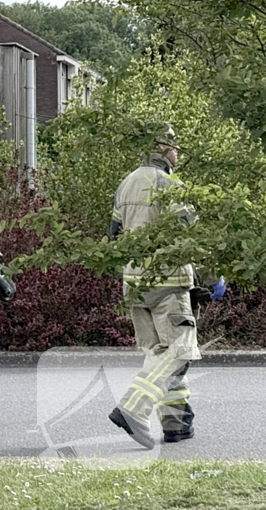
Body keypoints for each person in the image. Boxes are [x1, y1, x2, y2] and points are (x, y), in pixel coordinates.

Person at [107, 123, 215, 448]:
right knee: (178, 352)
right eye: (174, 144)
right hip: (169, 282)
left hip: (135, 284)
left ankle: (176, 424)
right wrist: (212, 277)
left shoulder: (126, 183)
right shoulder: (169, 184)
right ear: (162, 146)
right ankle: (132, 408)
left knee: (160, 356)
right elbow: (190, 235)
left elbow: (113, 235)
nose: (177, 150)